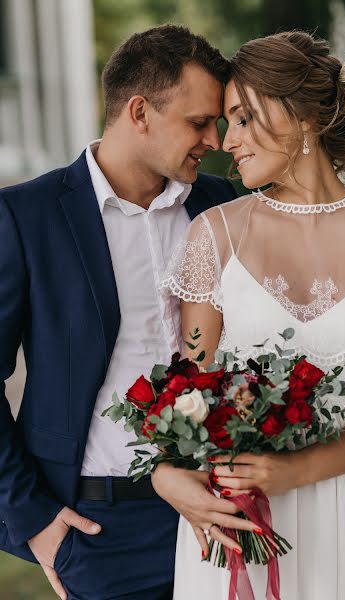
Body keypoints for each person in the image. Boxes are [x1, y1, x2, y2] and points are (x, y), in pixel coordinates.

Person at [0, 24, 260, 600]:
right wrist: (36, 521)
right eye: (198, 122)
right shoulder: (26, 216)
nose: (214, 140)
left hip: (227, 512)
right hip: (100, 529)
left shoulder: (227, 208)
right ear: (139, 111)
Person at [156, 31, 345, 599]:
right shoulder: (213, 236)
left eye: (242, 119)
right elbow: (191, 391)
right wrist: (170, 470)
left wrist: (299, 470)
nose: (227, 141)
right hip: (242, 510)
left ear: (303, 115)